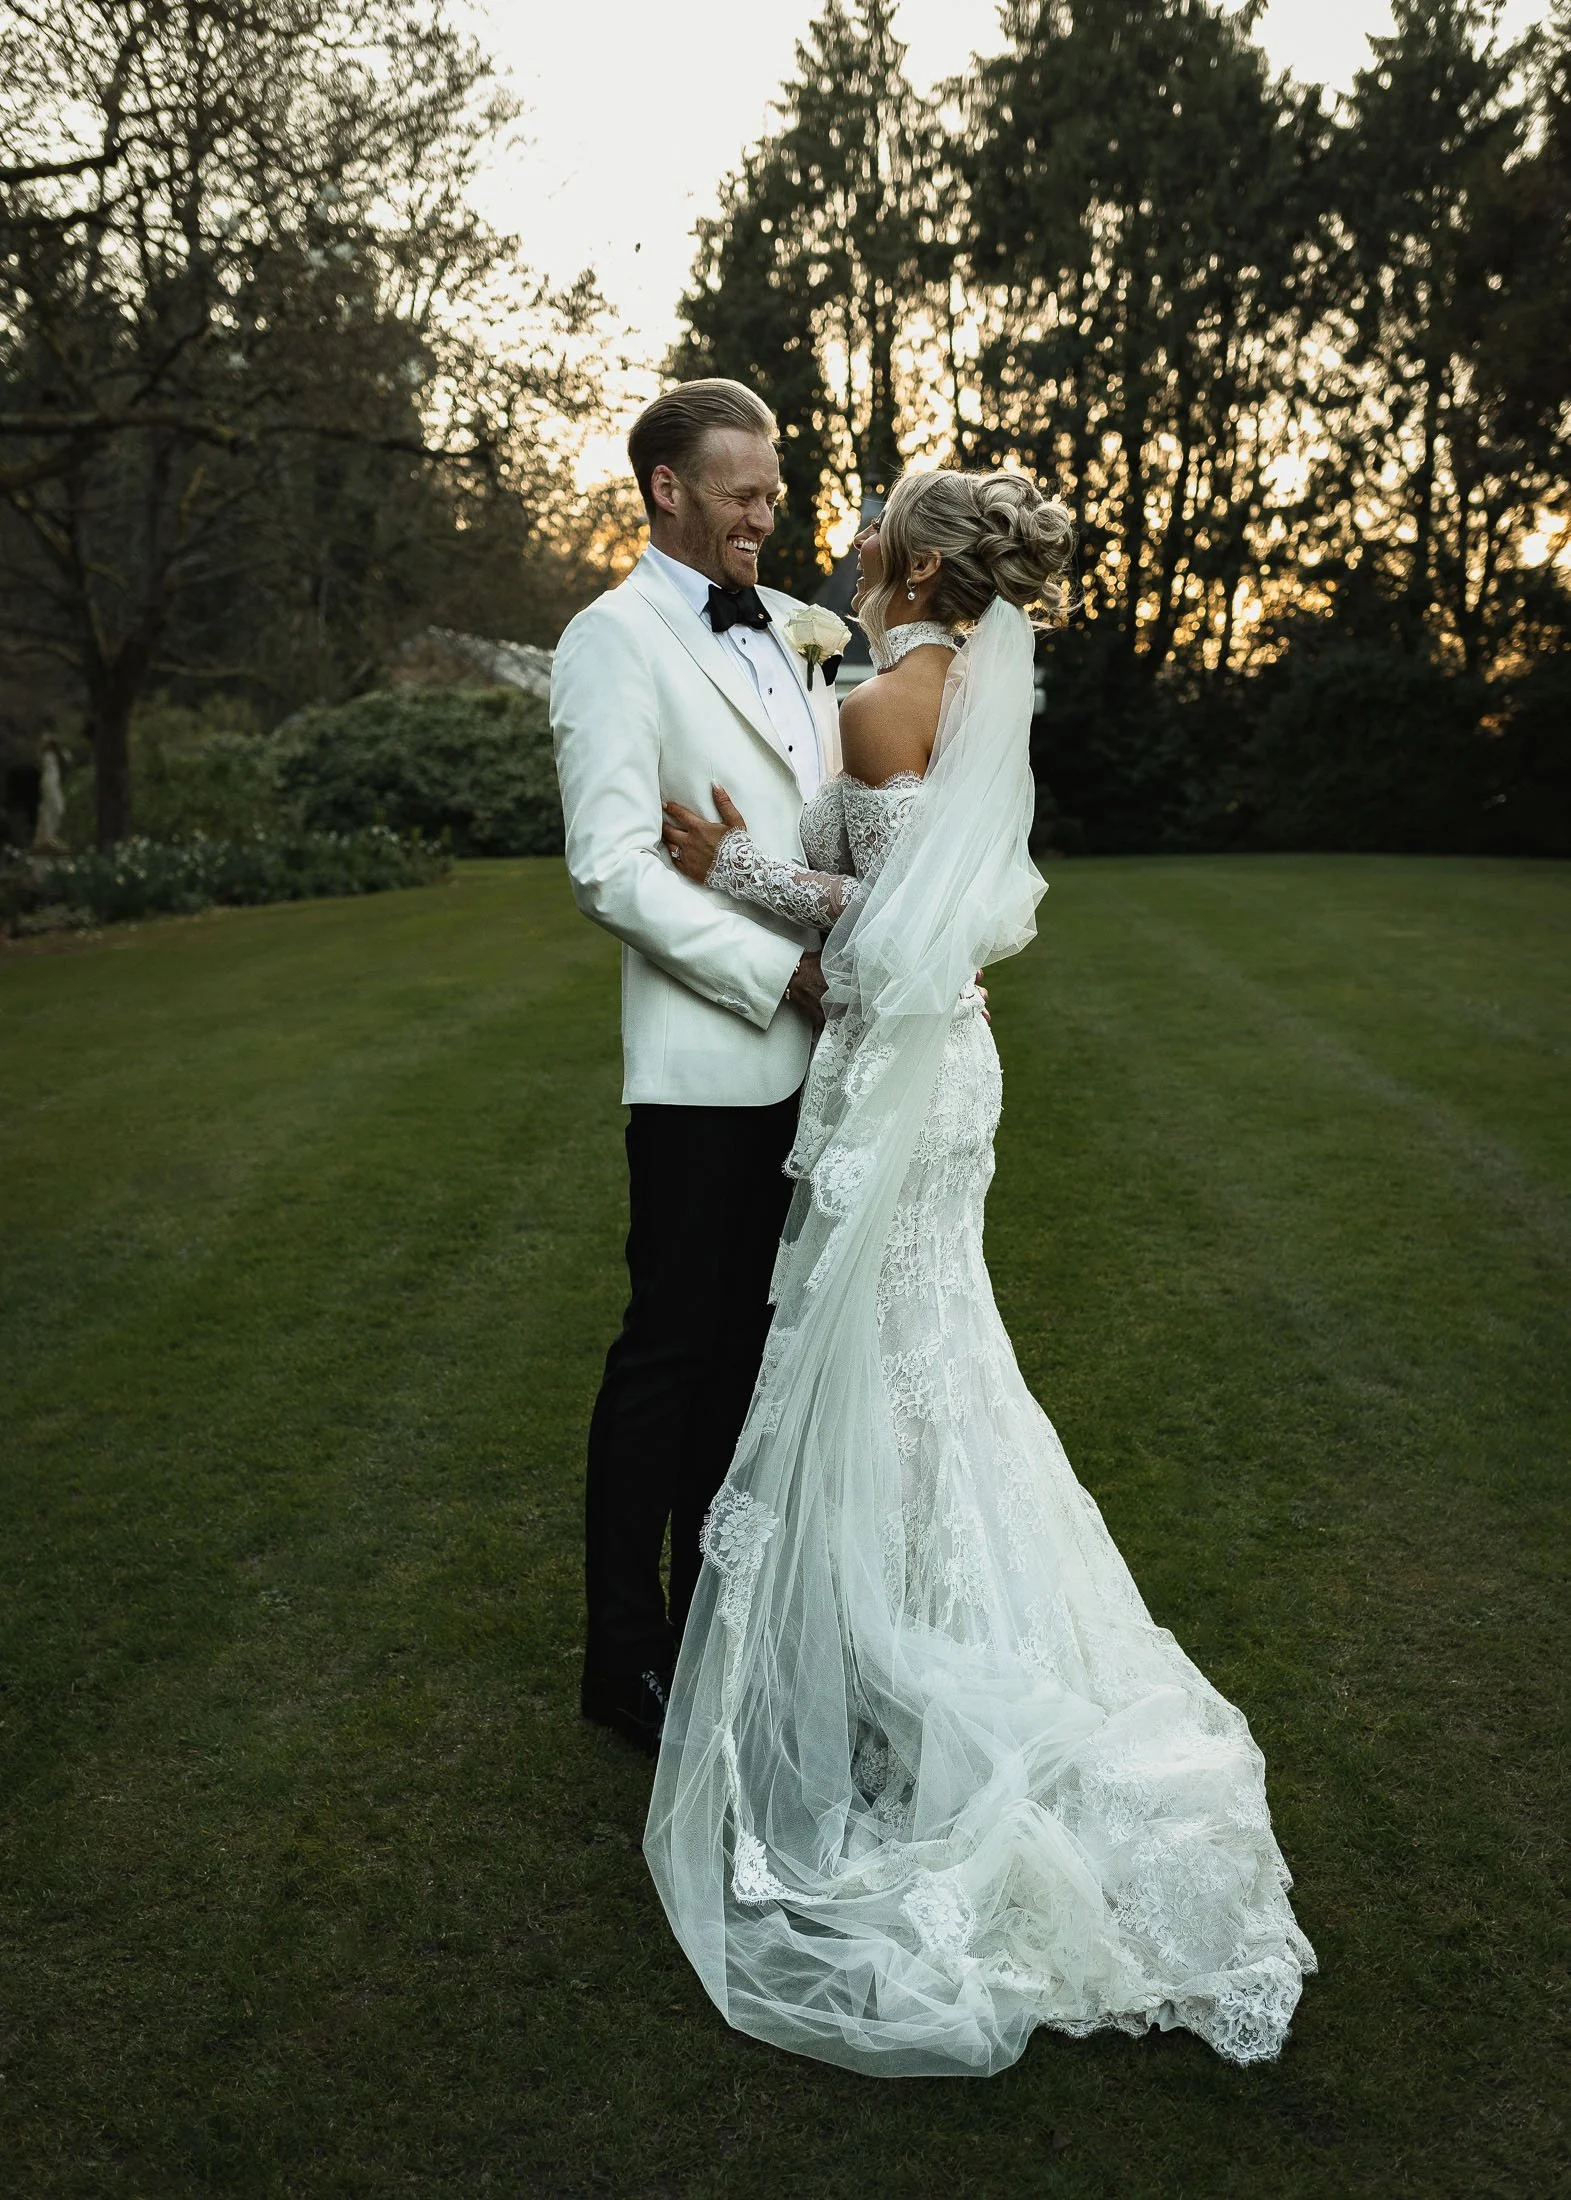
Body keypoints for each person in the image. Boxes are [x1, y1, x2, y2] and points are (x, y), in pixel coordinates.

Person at [646, 466, 1316, 2077]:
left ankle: (911, 1673)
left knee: (884, 1368)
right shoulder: (968, 697)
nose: (852, 537)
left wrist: (722, 867)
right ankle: (911, 1641)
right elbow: (942, 915)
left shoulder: (884, 701)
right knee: (921, 1366)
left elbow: (883, 944)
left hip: (895, 1074)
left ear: (925, 563)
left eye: (877, 521)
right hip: (943, 1074)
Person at [550, 379, 841, 1754]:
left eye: (772, 491)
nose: (762, 512)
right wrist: (769, 970)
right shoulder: (609, 641)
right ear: (666, 487)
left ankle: (710, 1625)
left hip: (813, 1063)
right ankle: (625, 1661)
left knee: (746, 1361)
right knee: (666, 1360)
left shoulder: (793, 635)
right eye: (739, 489)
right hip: (697, 1066)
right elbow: (609, 865)